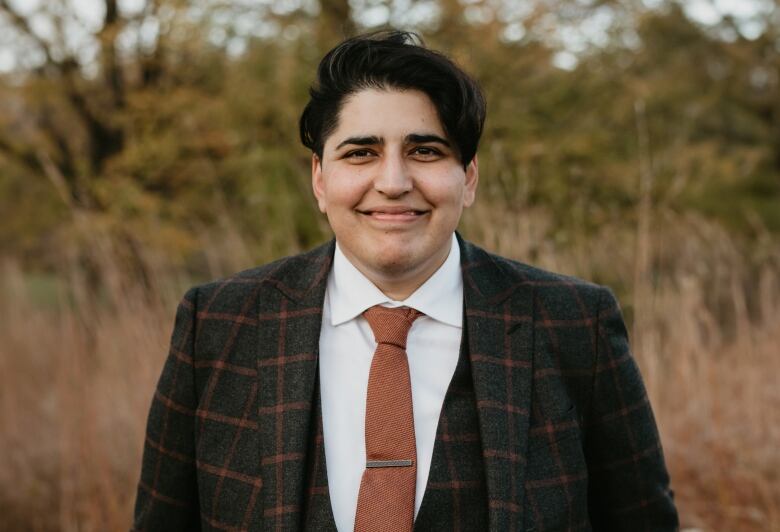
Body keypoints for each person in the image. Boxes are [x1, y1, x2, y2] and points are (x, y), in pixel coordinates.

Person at [132, 31, 679, 531]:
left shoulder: (573, 324)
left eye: (425, 151)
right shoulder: (219, 324)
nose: (393, 182)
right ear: (320, 180)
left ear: (468, 179)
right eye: (361, 152)